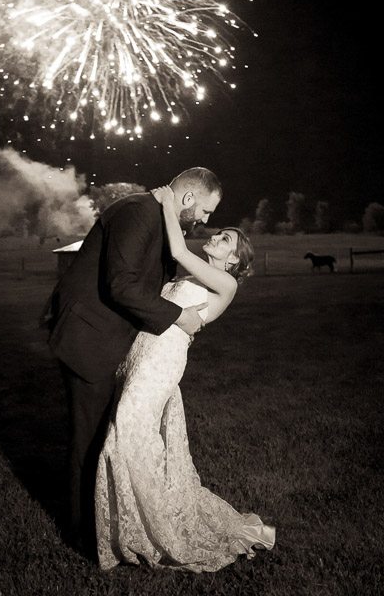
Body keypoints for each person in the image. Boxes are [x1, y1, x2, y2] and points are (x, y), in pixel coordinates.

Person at [94, 185, 275, 572]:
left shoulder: (224, 286)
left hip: (163, 361)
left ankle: (152, 527)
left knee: (129, 430)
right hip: (142, 352)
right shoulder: (191, 272)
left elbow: (177, 249)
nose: (214, 235)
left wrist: (166, 203)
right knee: (126, 432)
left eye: (224, 238)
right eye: (217, 231)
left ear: (233, 260)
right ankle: (133, 522)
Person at [43, 168, 223, 555]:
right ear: (189, 198)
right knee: (88, 438)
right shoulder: (138, 211)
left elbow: (157, 274)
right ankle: (84, 537)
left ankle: (107, 524)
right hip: (88, 336)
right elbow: (121, 284)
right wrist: (179, 316)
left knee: (106, 435)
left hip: (113, 339)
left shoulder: (160, 216)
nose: (206, 221)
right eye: (206, 211)